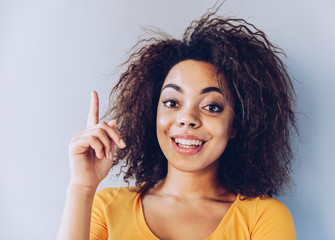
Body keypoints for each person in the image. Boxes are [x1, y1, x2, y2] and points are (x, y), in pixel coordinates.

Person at [57, 7, 297, 240]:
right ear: (153, 113)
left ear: (236, 125)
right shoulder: (106, 208)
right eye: (172, 102)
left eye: (212, 106)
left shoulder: (263, 217)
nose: (187, 119)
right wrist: (82, 188)